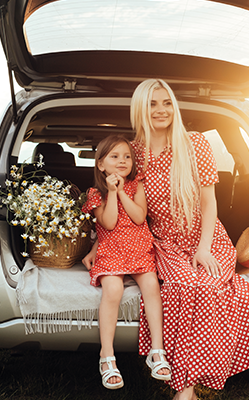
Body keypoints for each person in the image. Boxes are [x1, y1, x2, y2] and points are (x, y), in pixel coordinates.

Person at [99, 78, 249, 400]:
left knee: (208, 286)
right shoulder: (133, 153)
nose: (160, 110)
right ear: (140, 109)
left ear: (174, 107)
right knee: (184, 287)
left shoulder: (195, 143)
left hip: (208, 236)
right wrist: (98, 245)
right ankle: (187, 388)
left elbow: (209, 202)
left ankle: (184, 390)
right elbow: (118, 201)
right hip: (165, 241)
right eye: (152, 104)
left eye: (166, 103)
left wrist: (205, 248)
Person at [80, 135, 171, 389]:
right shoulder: (96, 193)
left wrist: (121, 191)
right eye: (115, 156)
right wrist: (111, 192)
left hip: (140, 249)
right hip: (111, 251)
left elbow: (140, 217)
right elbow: (108, 223)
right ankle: (107, 356)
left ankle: (157, 351)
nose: (122, 161)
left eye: (127, 156)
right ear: (100, 164)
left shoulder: (136, 185)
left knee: (152, 287)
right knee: (113, 290)